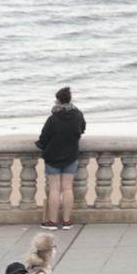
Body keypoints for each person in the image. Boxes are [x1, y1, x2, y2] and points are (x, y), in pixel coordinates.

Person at [37, 85, 86, 230]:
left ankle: (52, 221)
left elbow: (44, 137)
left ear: (57, 101)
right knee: (67, 188)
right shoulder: (78, 115)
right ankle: (66, 221)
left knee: (54, 189)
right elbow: (82, 129)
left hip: (53, 156)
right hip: (71, 155)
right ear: (70, 99)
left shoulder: (53, 118)